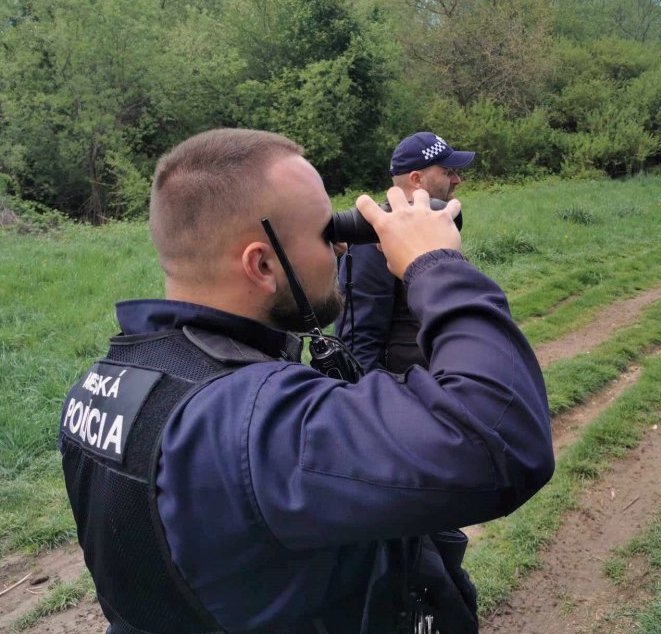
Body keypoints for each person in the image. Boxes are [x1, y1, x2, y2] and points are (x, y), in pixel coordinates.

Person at [58, 128, 553, 633]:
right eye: (326, 233)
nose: (342, 246)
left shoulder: (104, 386)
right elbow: (501, 438)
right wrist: (437, 265)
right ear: (263, 264)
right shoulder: (257, 419)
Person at [336, 131, 475, 373]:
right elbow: (359, 343)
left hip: (441, 381)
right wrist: (369, 404)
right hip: (407, 394)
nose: (457, 180)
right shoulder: (375, 236)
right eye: (448, 171)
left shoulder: (430, 229)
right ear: (417, 180)